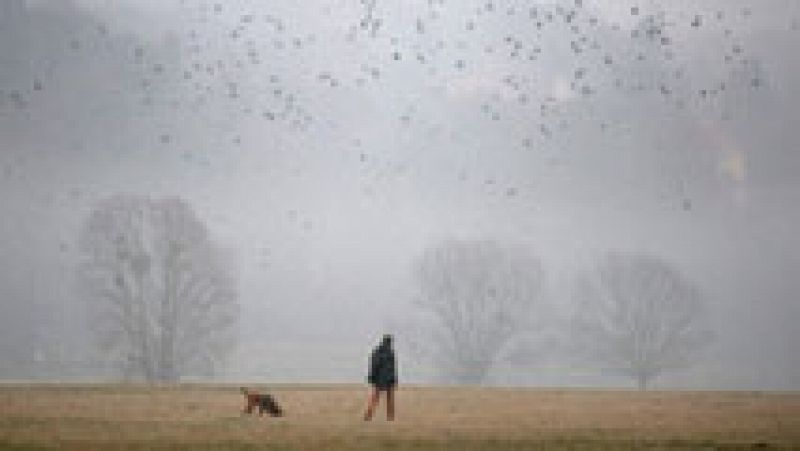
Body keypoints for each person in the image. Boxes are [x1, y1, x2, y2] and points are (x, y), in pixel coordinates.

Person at [363, 334, 397, 421]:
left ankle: (368, 416)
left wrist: (371, 378)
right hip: (389, 379)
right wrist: (394, 379)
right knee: (390, 400)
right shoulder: (390, 353)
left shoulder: (376, 352)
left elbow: (373, 366)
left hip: (378, 379)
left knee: (374, 399)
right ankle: (390, 417)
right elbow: (392, 368)